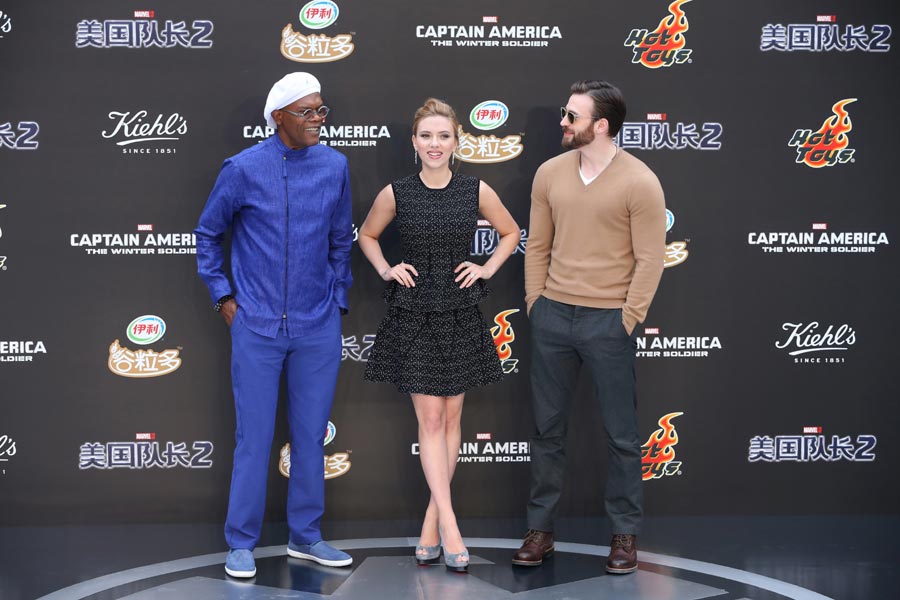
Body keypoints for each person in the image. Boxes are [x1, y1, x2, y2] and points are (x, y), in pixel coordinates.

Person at [194, 72, 354, 579]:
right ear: (278, 117)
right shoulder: (243, 169)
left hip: (317, 326)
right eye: (307, 112)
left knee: (310, 436)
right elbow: (207, 234)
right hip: (257, 326)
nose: (318, 120)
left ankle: (306, 537)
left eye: (322, 110)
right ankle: (240, 542)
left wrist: (338, 300)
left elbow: (339, 241)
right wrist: (223, 297)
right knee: (254, 437)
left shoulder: (335, 166)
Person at [358, 98, 520, 573]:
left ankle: (431, 524)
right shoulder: (396, 192)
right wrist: (387, 268)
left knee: (451, 421)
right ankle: (450, 525)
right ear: (414, 142)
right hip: (414, 313)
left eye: (443, 136)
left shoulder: (475, 189)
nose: (435, 144)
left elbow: (511, 233)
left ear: (456, 142)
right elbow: (366, 235)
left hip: (460, 310)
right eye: (426, 136)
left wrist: (485, 267)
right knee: (430, 423)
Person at [513, 80, 666, 574]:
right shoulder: (549, 173)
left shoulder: (639, 181)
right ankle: (540, 531)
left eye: (572, 116)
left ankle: (624, 535)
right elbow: (537, 245)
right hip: (553, 315)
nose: (563, 121)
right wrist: (536, 303)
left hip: (608, 322)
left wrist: (627, 319)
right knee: (546, 431)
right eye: (564, 112)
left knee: (621, 435)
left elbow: (651, 259)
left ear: (600, 126)